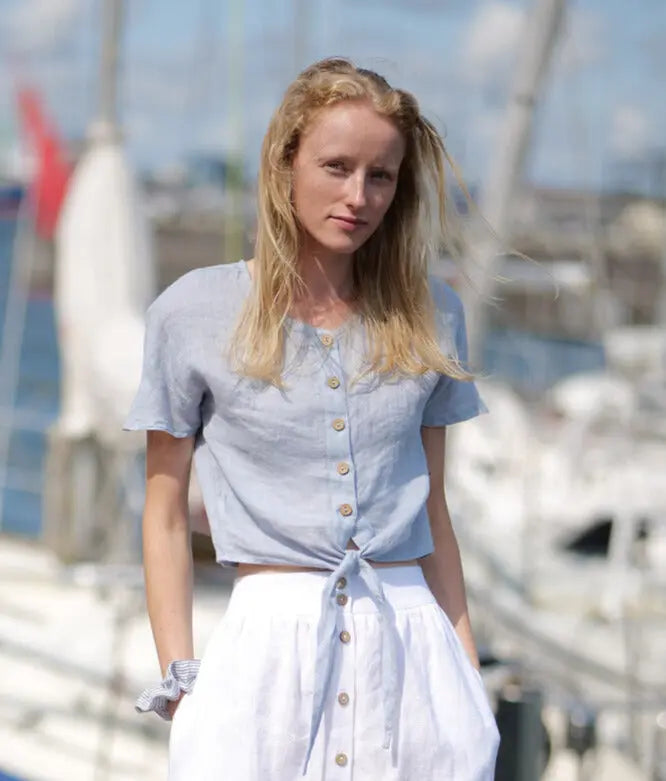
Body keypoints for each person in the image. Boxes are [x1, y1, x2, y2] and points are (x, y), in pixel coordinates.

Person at [125, 57, 500, 780]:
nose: (358, 195)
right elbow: (165, 511)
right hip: (266, 651)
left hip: (415, 646)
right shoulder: (193, 312)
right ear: (284, 163)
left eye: (381, 175)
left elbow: (436, 516)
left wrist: (468, 681)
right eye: (336, 166)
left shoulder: (431, 314)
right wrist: (181, 677)